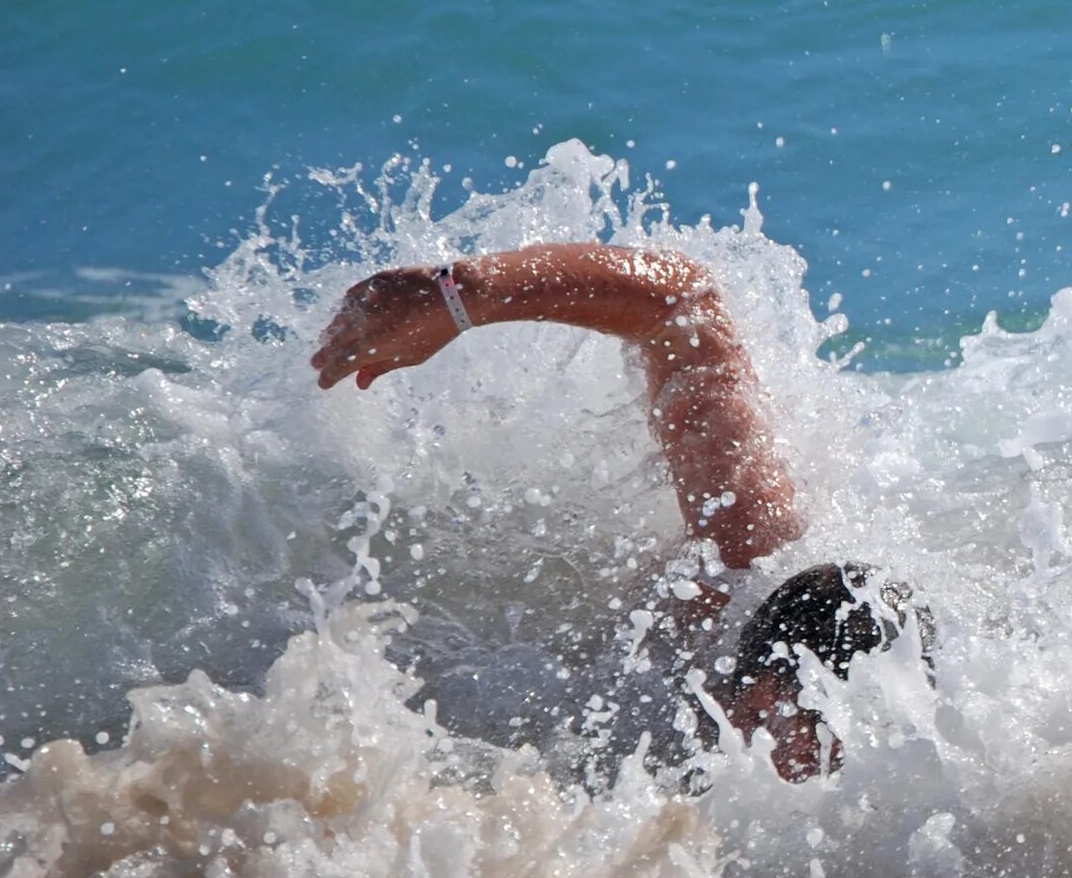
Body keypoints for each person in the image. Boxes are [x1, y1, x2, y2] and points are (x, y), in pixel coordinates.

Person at [309, 243, 922, 779]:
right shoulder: (743, 560)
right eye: (816, 749)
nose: (814, 775)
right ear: (763, 695)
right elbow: (682, 306)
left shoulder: (926, 756)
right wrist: (460, 295)